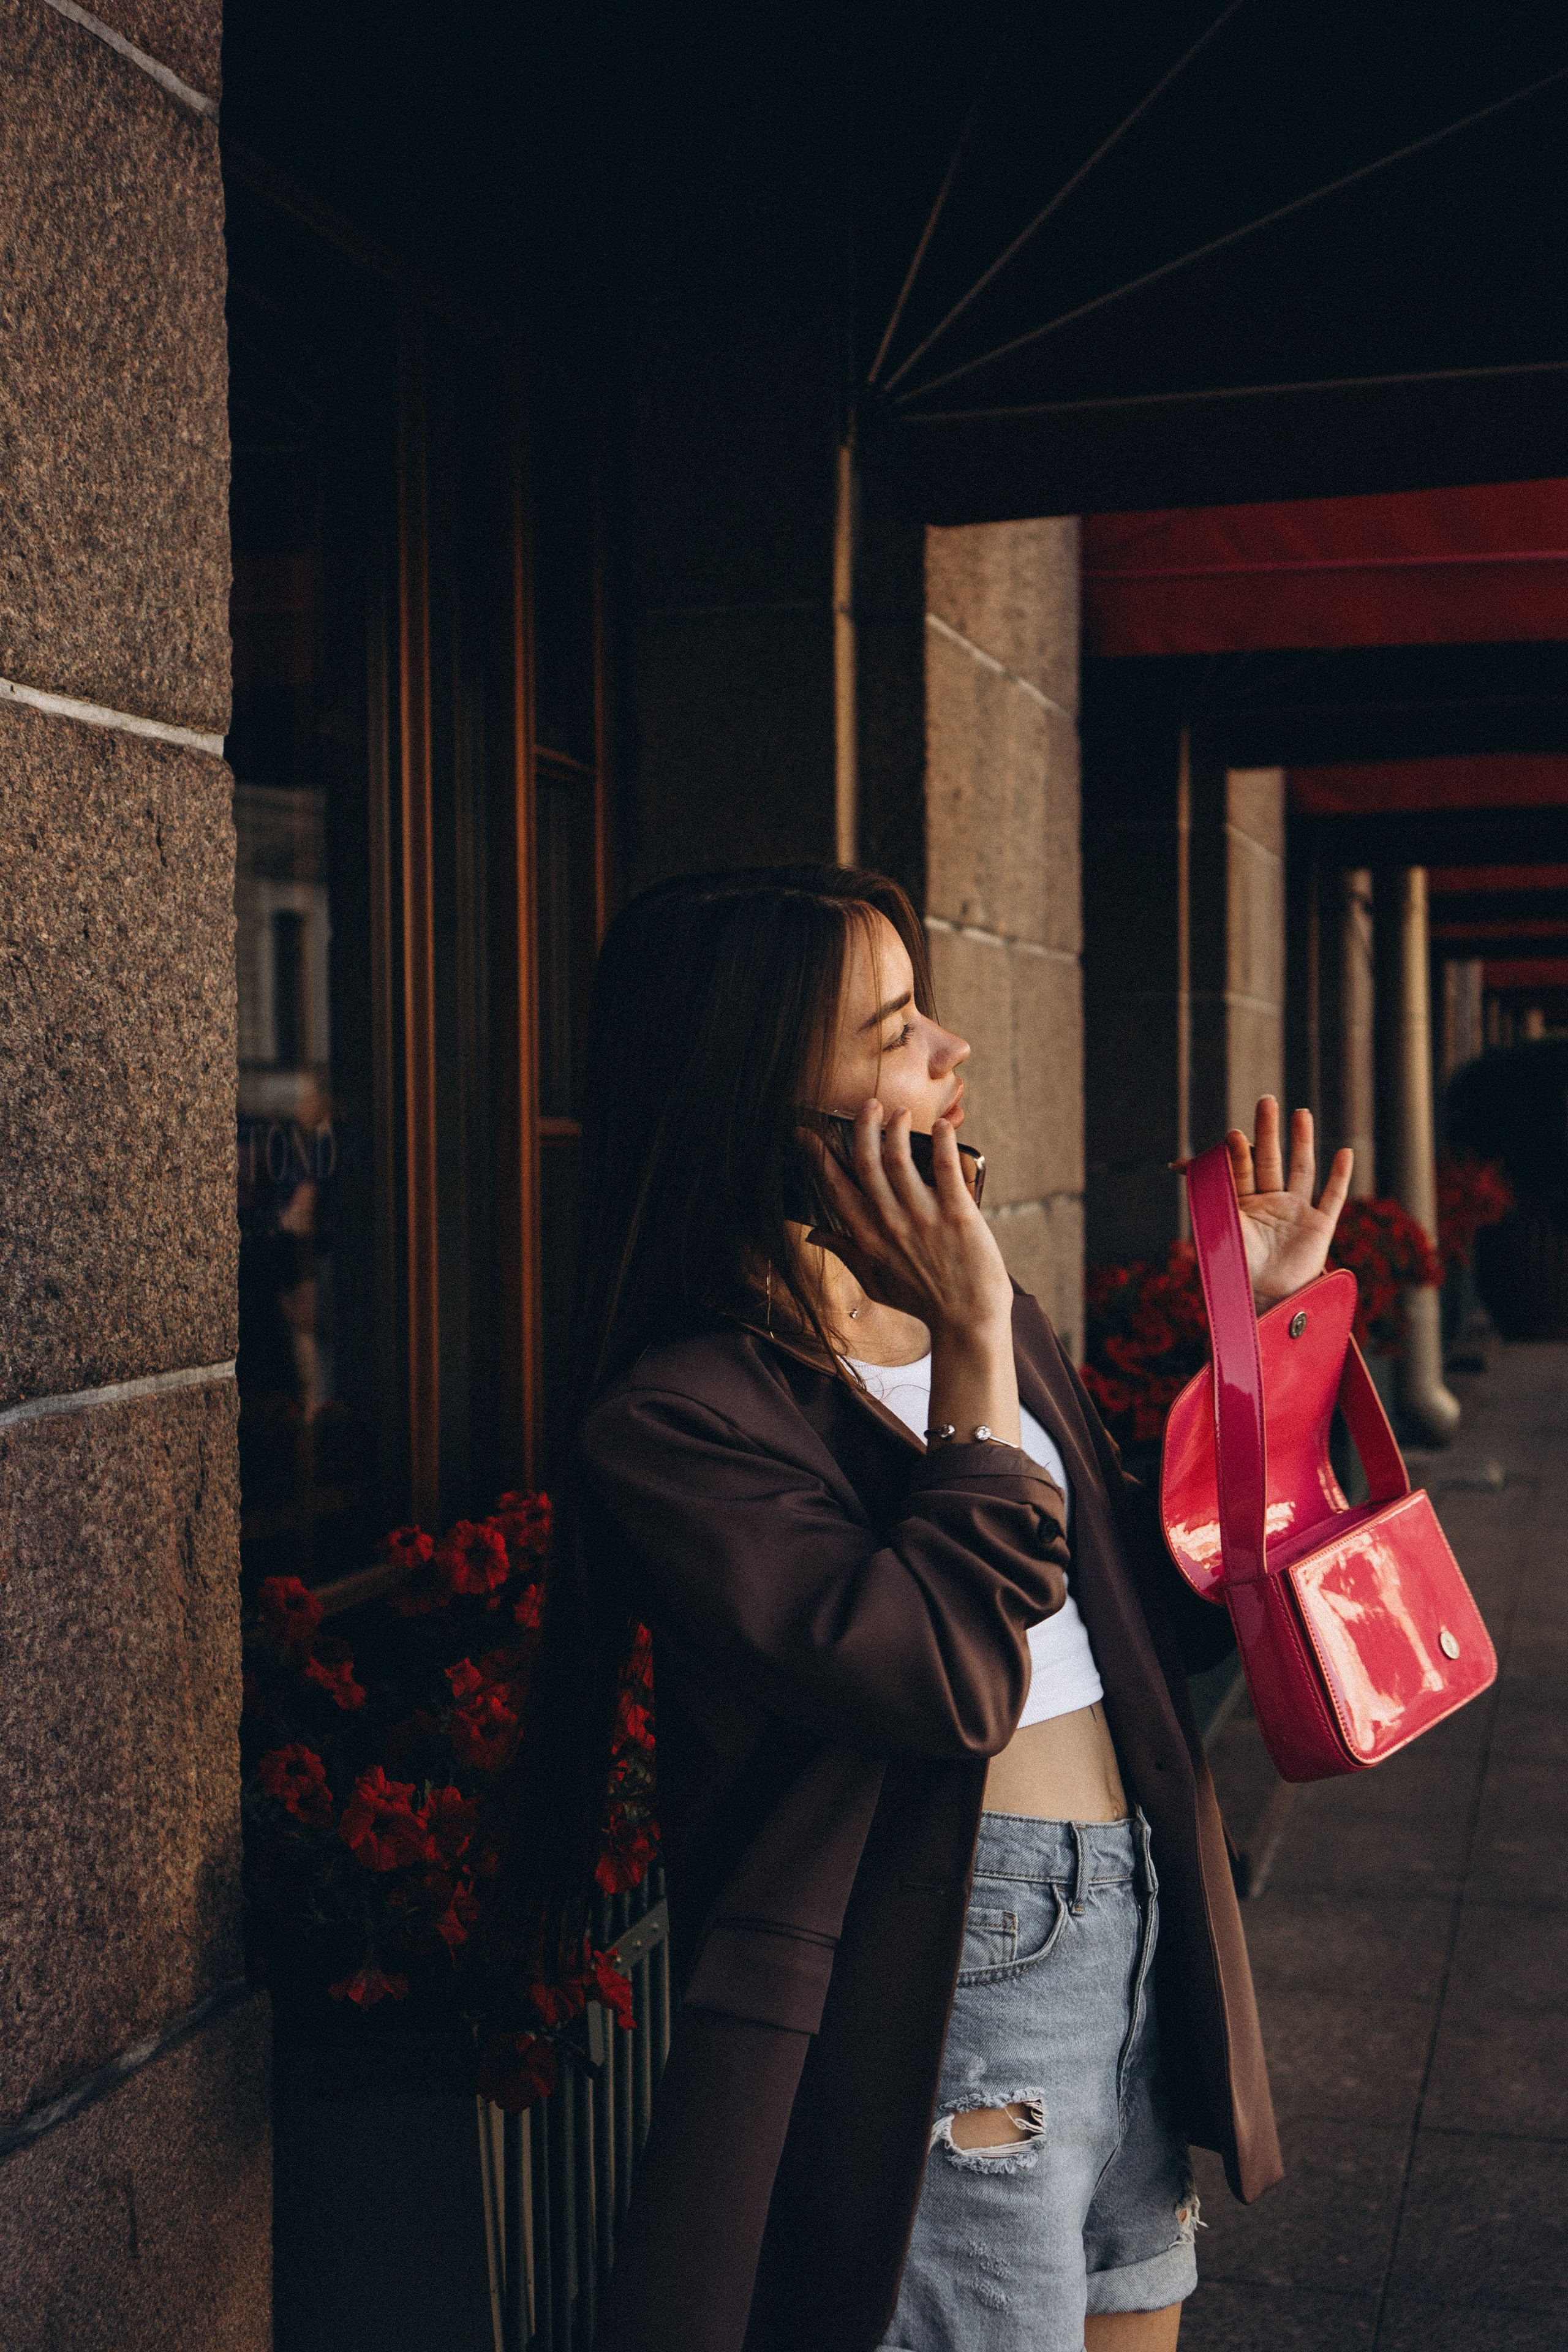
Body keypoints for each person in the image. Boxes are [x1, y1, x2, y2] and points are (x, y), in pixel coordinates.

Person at [507, 864, 1353, 2352]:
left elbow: (1141, 1635)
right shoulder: (682, 1417)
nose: (950, 1049)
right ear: (774, 1100)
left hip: (1129, 1918)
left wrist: (1259, 1340)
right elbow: (939, 1681)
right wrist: (968, 1342)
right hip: (952, 1969)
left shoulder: (971, 1316)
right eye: (895, 1029)